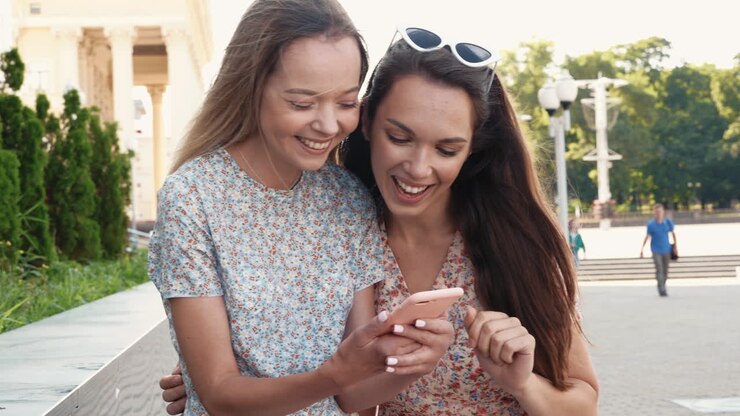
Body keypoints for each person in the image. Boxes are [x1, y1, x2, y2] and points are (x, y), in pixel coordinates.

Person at [162, 26, 600, 415]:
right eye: (399, 137)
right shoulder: (343, 217)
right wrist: (210, 372)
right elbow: (343, 387)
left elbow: (583, 401)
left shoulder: (519, 245)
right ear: (367, 120)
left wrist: (522, 383)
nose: (418, 167)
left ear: (472, 150)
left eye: (447, 149)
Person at [149, 2, 454, 415]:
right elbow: (220, 394)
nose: (328, 126)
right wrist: (333, 375)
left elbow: (352, 399)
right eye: (302, 103)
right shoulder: (192, 198)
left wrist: (412, 365)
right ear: (251, 87)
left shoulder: (347, 198)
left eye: (346, 103)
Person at [640, 203, 677, 297]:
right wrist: (642, 249)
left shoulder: (668, 222)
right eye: (657, 212)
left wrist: (675, 247)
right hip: (656, 250)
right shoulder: (651, 224)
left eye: (660, 212)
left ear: (663, 212)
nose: (659, 214)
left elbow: (673, 234)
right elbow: (647, 236)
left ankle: (662, 284)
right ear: (654, 213)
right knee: (659, 269)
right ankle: (661, 289)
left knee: (665, 270)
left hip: (667, 249)